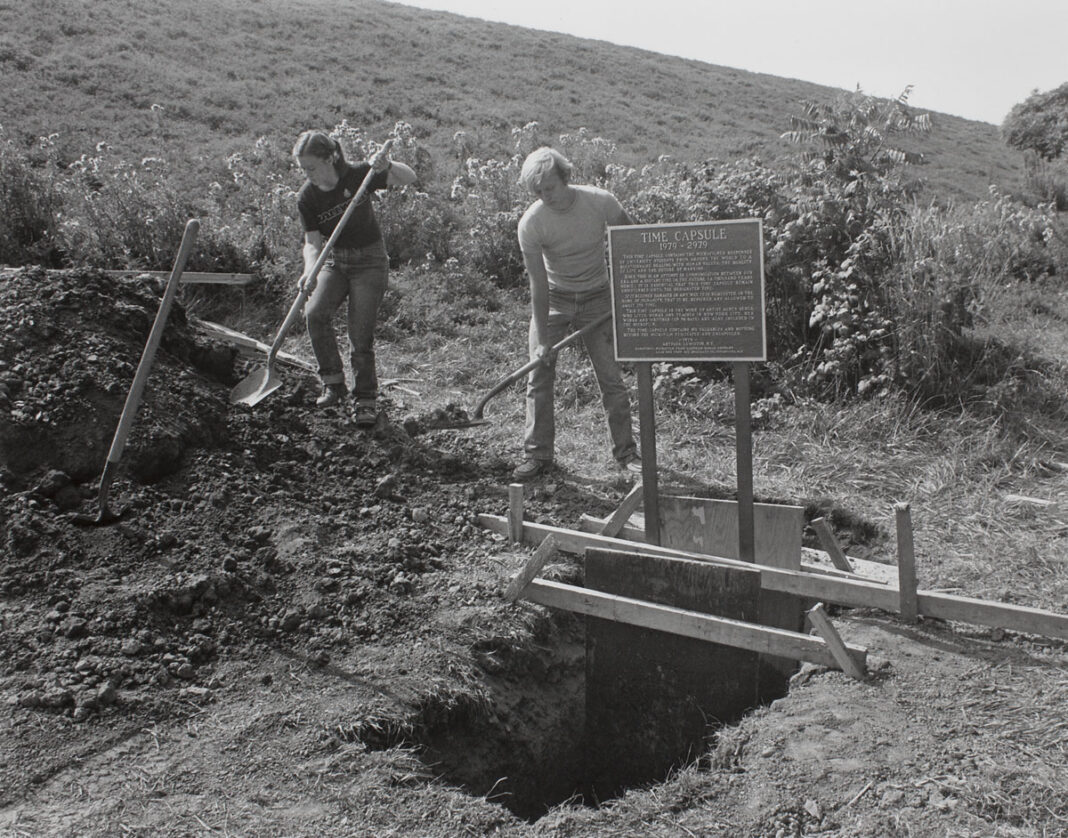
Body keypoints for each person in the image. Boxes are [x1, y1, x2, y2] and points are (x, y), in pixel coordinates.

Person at [512, 146, 640, 481]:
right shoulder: (532, 223)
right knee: (539, 375)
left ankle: (626, 453)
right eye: (538, 191)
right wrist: (543, 339)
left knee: (611, 377)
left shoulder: (600, 202)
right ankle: (538, 455)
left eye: (550, 187)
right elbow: (538, 283)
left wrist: (628, 291)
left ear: (565, 177)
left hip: (598, 297)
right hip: (555, 298)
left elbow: (633, 242)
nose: (546, 196)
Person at [292, 130, 417, 424]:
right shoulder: (307, 197)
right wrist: (309, 271)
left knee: (360, 334)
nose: (307, 174)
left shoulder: (359, 175)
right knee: (315, 313)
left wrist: (387, 164)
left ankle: (365, 398)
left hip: (370, 262)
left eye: (311, 167)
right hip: (335, 261)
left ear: (330, 158)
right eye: (303, 169)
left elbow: (409, 177)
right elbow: (312, 243)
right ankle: (333, 383)